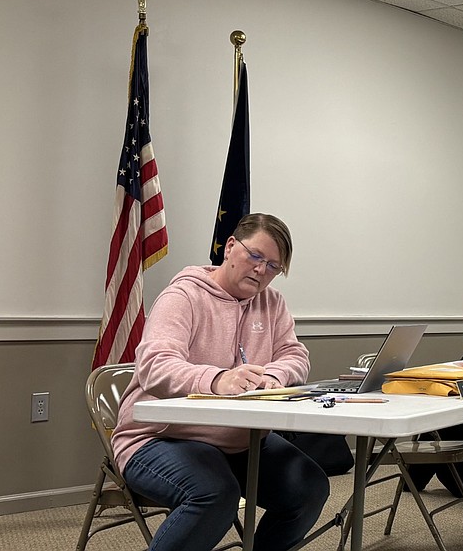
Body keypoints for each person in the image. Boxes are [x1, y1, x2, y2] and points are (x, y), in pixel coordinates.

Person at [111, 213, 330, 551]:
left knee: (309, 487)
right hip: (160, 436)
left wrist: (273, 376)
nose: (261, 270)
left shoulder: (272, 303)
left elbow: (295, 355)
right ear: (230, 247)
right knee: (215, 494)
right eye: (255, 256)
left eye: (273, 266)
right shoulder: (183, 296)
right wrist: (217, 380)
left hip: (241, 438)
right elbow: (153, 366)